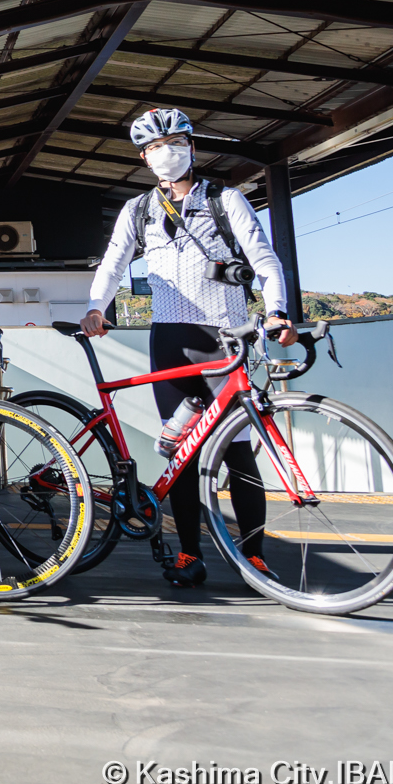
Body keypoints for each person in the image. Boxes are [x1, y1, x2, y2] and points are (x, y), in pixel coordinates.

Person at [82, 107, 295, 589]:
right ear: (143, 157)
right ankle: (187, 555)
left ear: (192, 148)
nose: (167, 153)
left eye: (176, 142)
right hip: (170, 340)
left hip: (224, 334)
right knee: (182, 453)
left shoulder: (226, 199)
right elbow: (113, 262)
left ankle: (254, 555)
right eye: (156, 147)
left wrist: (277, 309)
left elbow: (265, 259)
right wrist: (97, 306)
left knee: (238, 453)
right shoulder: (137, 209)